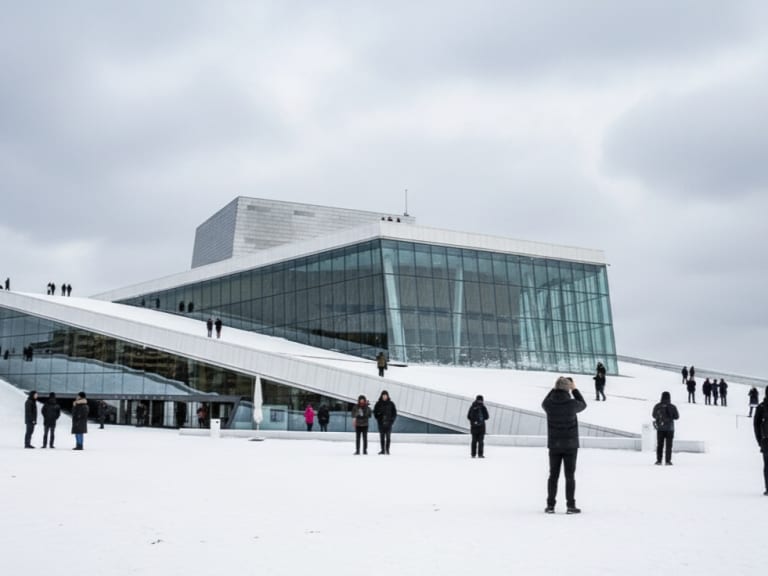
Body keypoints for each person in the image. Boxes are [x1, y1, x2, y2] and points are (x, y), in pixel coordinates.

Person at [541, 376, 586, 514]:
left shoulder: (549, 404)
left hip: (554, 444)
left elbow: (543, 403)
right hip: (570, 445)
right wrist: (575, 389)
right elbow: (583, 404)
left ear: (555, 388)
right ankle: (570, 506)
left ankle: (550, 506)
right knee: (569, 476)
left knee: (553, 475)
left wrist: (554, 389)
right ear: (568, 388)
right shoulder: (572, 404)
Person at [652, 391, 680, 466]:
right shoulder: (672, 406)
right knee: (669, 445)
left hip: (660, 428)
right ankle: (668, 461)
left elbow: (653, 415)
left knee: (659, 445)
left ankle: (659, 461)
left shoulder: (657, 406)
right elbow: (677, 417)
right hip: (670, 429)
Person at [752, 387, 768, 496]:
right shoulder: (761, 407)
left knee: (767, 465)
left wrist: (759, 441)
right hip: (765, 441)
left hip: (765, 441)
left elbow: (756, 425)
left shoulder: (761, 407)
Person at [373, 390, 397, 455]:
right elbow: (375, 412)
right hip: (381, 423)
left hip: (389, 423)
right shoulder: (378, 403)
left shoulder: (391, 403)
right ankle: (383, 450)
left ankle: (387, 450)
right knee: (382, 437)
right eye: (383, 395)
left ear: (387, 396)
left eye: (385, 395)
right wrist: (378, 418)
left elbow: (394, 413)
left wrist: (392, 421)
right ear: (381, 396)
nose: (384, 397)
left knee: (388, 437)